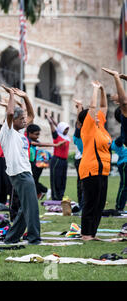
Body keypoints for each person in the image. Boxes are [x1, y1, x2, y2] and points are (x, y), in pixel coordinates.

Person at [0, 85, 41, 245]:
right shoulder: (7, 131)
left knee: (26, 208)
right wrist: (10, 94)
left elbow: (31, 114)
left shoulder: (20, 132)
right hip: (20, 173)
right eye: (21, 119)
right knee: (32, 207)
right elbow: (9, 112)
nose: (25, 121)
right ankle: (34, 238)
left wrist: (25, 97)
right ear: (13, 121)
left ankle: (12, 237)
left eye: (24, 119)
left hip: (24, 172)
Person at [77, 81, 111, 241]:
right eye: (93, 116)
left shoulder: (100, 127)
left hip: (103, 170)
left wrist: (103, 90)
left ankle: (92, 233)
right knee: (91, 202)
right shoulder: (88, 129)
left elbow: (103, 107)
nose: (97, 116)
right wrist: (95, 90)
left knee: (100, 203)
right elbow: (93, 108)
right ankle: (85, 234)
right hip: (91, 169)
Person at [45, 112, 70, 201]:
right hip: (57, 160)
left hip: (64, 161)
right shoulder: (56, 136)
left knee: (63, 179)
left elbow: (57, 125)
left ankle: (60, 196)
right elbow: (53, 125)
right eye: (65, 129)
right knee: (56, 179)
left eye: (67, 129)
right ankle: (55, 197)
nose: (66, 131)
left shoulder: (66, 137)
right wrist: (48, 118)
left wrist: (52, 118)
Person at [113, 108, 127, 213]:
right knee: (124, 185)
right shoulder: (121, 137)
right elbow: (115, 144)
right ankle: (119, 207)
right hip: (124, 163)